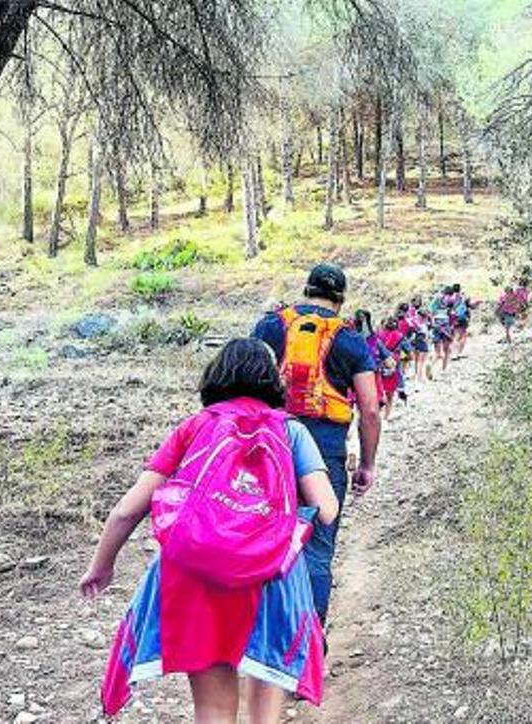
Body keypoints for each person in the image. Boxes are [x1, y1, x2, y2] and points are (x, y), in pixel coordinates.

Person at [83, 339, 339, 721]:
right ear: (272, 379)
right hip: (270, 575)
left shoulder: (196, 427)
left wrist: (101, 566)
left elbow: (127, 510)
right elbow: (328, 510)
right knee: (264, 701)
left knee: (213, 710)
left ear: (217, 375)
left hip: (197, 570)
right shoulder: (291, 431)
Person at [252, 263, 380, 626]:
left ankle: (260, 633)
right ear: (340, 300)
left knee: (260, 537)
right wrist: (367, 464)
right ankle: (306, 641)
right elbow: (370, 410)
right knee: (318, 547)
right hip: (325, 450)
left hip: (267, 444)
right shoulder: (350, 339)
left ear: (306, 290)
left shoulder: (270, 325)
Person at [375, 317, 405, 421]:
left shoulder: (378, 334)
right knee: (390, 393)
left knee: (379, 390)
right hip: (393, 362)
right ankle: (386, 416)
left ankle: (377, 414)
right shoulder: (399, 335)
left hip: (379, 362)